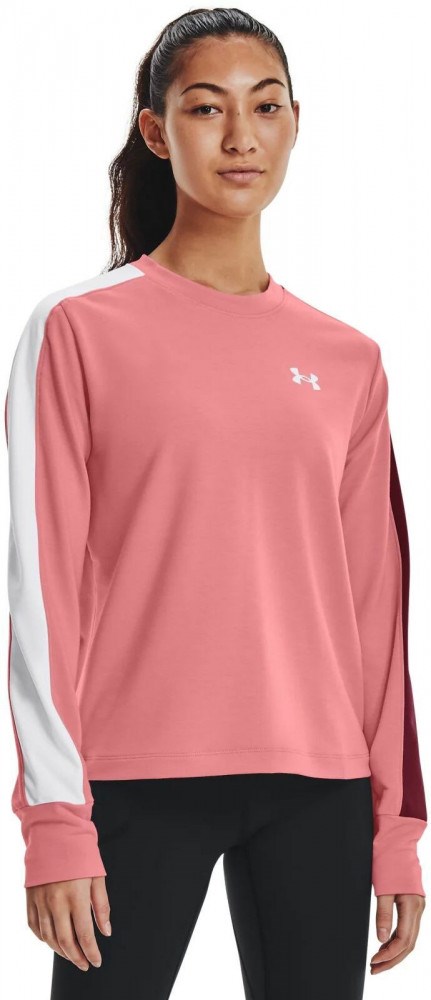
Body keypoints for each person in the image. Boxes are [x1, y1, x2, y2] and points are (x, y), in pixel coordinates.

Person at [4, 7, 427, 999]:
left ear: (294, 124)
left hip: (318, 787)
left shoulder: (347, 358)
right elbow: (40, 591)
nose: (240, 136)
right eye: (205, 108)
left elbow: (376, 609)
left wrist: (395, 830)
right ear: (157, 131)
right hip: (135, 778)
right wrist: (55, 819)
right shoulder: (77, 329)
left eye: (264, 107)